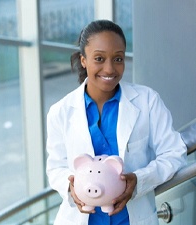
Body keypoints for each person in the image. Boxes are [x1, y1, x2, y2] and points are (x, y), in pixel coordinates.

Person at [46, 20, 187, 225]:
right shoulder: (60, 112)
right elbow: (55, 167)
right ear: (83, 60)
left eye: (118, 58)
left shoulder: (147, 101)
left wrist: (139, 180)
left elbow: (175, 153)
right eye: (99, 58)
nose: (110, 69)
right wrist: (72, 188)